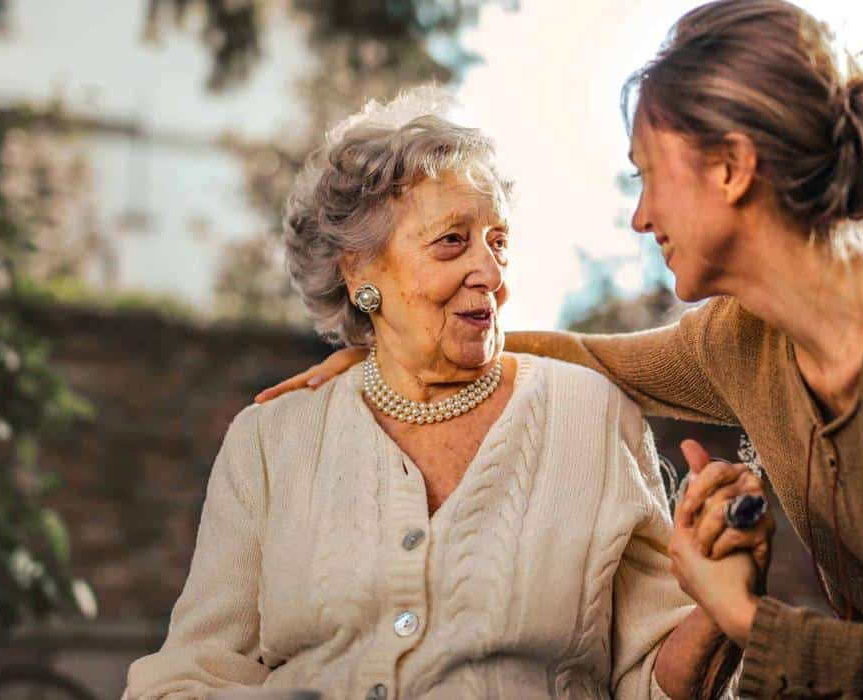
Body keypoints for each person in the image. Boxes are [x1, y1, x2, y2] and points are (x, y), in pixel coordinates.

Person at [255, 2, 863, 697]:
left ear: (732, 168)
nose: (641, 217)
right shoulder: (747, 338)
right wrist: (399, 351)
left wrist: (743, 616)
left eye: (648, 175)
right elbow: (593, 357)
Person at [125, 88, 770, 700]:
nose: (489, 273)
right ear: (359, 270)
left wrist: (721, 607)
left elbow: (653, 684)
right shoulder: (271, 440)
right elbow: (189, 676)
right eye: (452, 241)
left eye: (499, 243)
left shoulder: (591, 416)